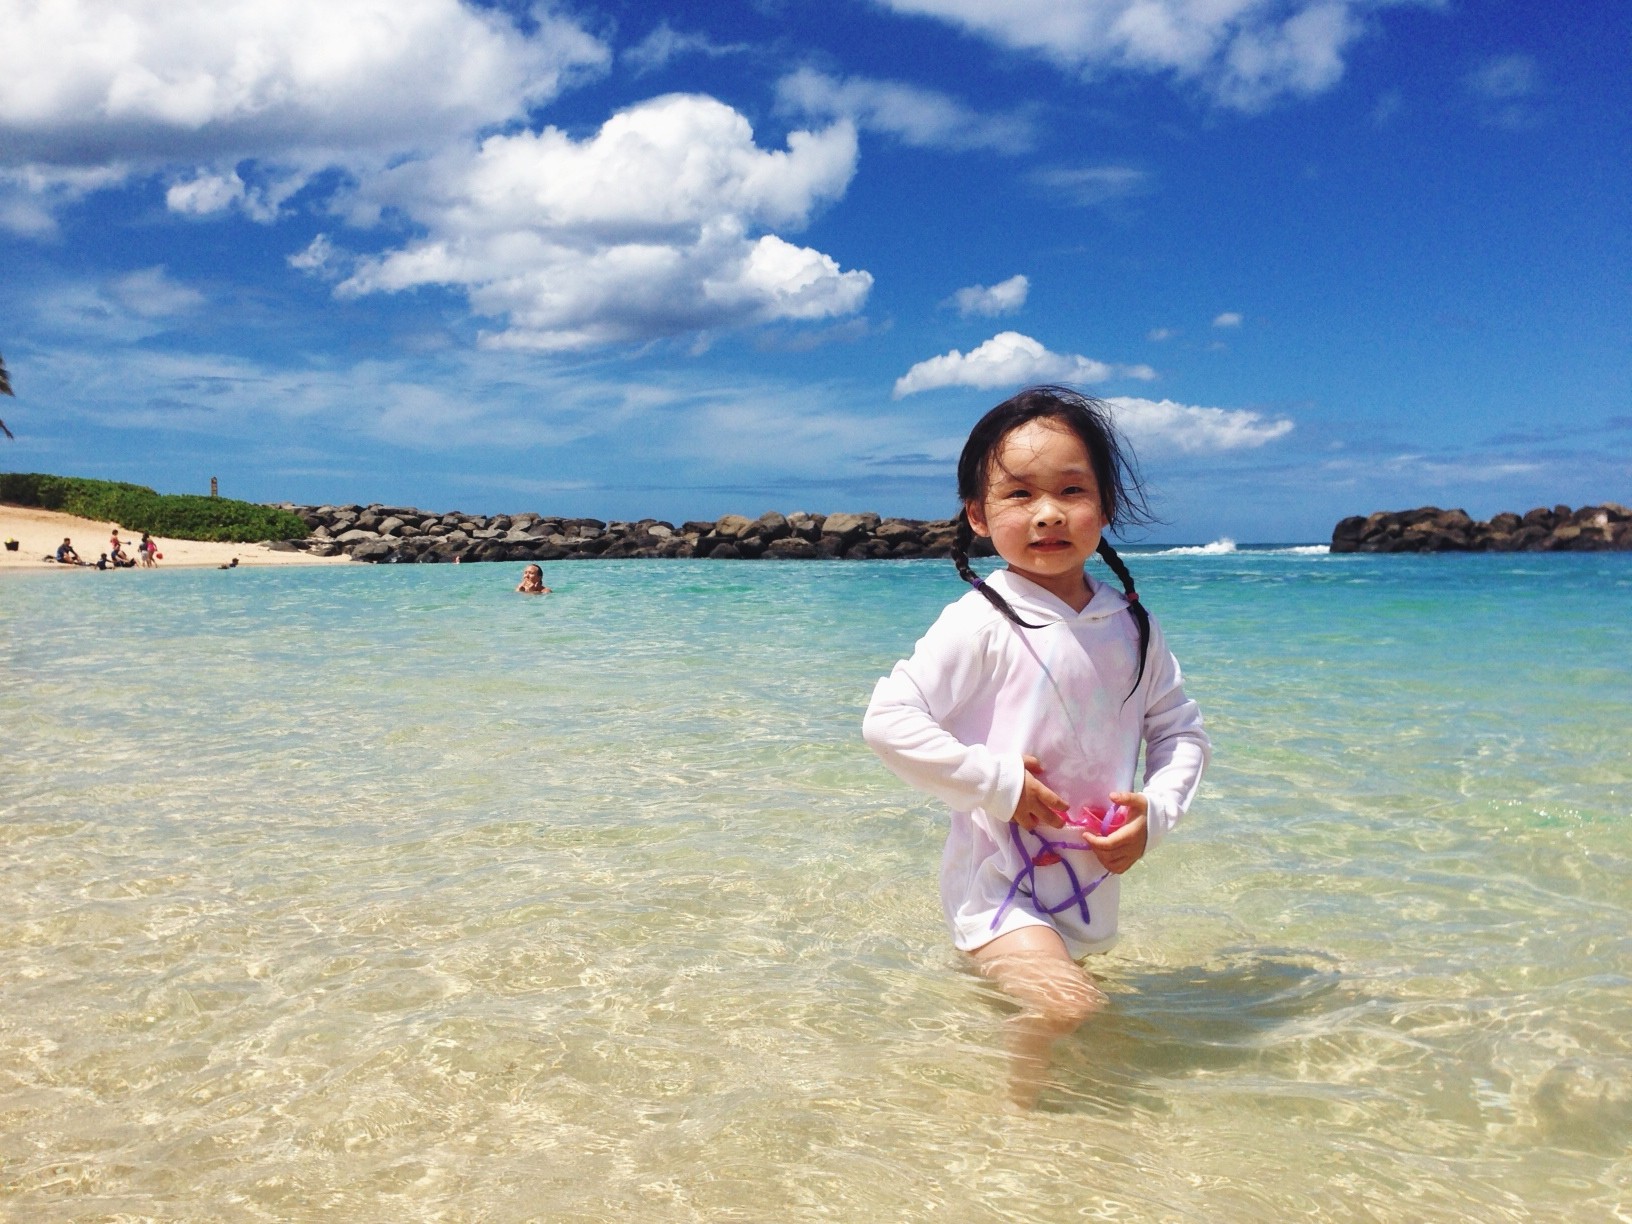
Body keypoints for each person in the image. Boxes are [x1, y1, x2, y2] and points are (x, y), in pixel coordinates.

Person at [862, 386, 1210, 1106]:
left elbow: (1178, 730)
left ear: (1105, 506)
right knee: (1070, 1007)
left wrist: (1159, 813)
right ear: (979, 516)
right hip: (996, 884)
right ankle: (1018, 1130)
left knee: (1075, 1003)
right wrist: (997, 783)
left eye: (1071, 490)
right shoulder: (982, 620)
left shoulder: (1133, 624)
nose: (1048, 512)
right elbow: (890, 719)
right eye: (1019, 495)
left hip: (1086, 885)